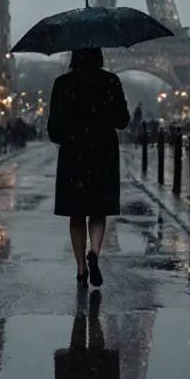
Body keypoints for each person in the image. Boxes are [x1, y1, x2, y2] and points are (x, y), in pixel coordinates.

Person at [47, 48, 130, 287]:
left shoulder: (62, 83)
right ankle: (94, 251)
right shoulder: (111, 81)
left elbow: (54, 130)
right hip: (103, 153)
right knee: (98, 211)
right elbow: (122, 121)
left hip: (74, 153)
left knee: (76, 214)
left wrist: (71, 134)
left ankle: (81, 268)